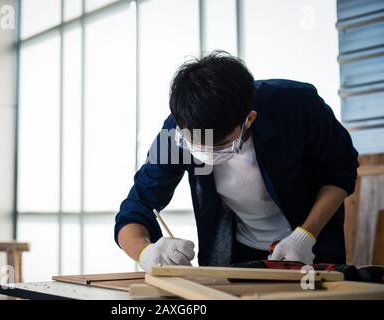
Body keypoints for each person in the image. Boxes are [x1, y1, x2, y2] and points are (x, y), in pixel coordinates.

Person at [114, 51, 358, 272]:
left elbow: (339, 171)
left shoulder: (297, 107)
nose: (205, 152)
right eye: (197, 143)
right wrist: (146, 254)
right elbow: (138, 206)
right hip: (235, 253)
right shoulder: (175, 134)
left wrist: (305, 236)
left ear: (249, 119)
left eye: (219, 145)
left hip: (308, 245)